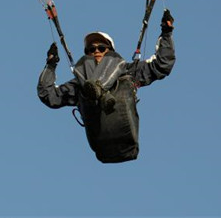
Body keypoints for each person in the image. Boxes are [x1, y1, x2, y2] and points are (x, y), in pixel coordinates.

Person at [37, 9, 176, 163]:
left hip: (124, 132)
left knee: (103, 71)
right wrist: (51, 65)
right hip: (101, 141)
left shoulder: (128, 71)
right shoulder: (78, 84)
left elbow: (162, 65)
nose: (96, 51)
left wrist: (166, 32)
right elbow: (48, 95)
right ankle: (97, 91)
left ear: (109, 50)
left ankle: (100, 90)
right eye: (90, 50)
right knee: (84, 73)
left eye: (101, 48)